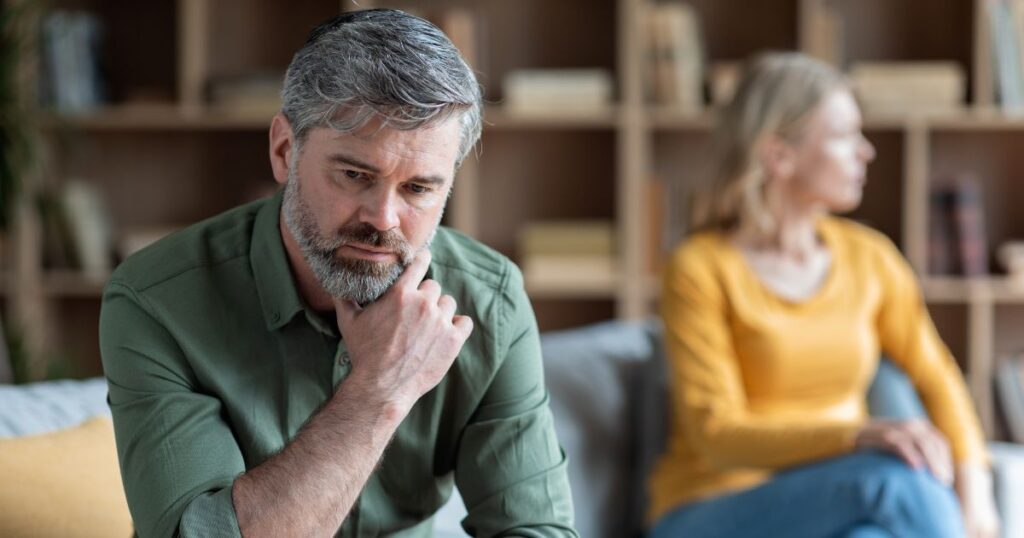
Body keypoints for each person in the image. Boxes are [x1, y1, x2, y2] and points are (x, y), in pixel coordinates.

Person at [99, 9, 577, 537]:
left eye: (419, 189)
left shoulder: (490, 302)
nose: (383, 219)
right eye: (354, 175)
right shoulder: (156, 300)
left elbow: (537, 529)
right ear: (285, 151)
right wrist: (378, 387)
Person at [648, 52, 1000, 538]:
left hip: (836, 498)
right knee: (889, 481)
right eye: (844, 135)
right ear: (779, 155)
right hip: (714, 507)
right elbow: (717, 435)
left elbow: (939, 380)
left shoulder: (870, 258)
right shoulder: (700, 268)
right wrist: (859, 437)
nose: (866, 152)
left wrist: (976, 495)